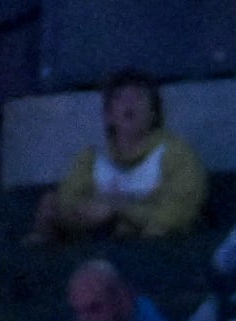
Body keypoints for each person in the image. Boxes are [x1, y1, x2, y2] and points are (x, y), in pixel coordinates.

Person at [34, 69, 205, 243]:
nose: (128, 104)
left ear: (154, 113)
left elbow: (176, 215)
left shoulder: (177, 155)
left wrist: (119, 209)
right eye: (119, 98)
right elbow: (69, 203)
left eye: (138, 97)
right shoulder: (91, 159)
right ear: (108, 115)